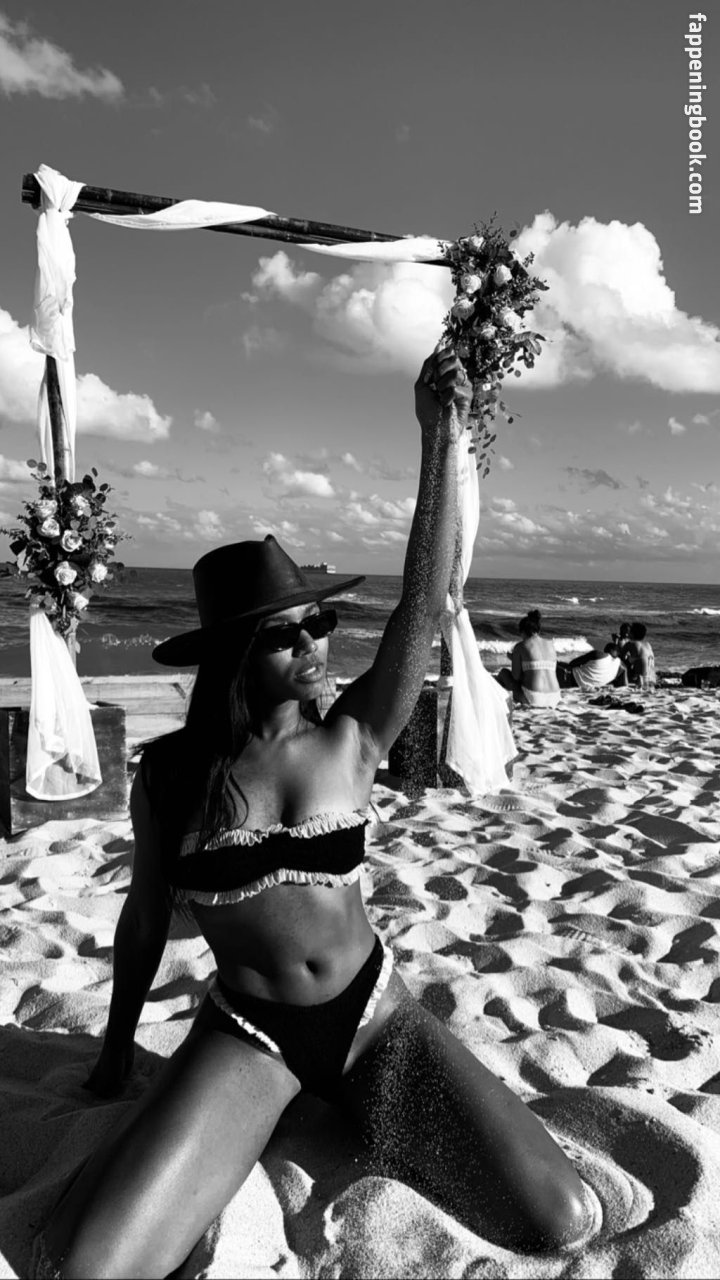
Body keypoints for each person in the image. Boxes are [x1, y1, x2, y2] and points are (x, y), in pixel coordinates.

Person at [35, 349, 592, 1278]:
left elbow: (423, 604)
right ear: (234, 655)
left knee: (558, 1218)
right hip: (250, 1038)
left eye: (319, 624)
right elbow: (144, 915)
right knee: (96, 1264)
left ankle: (346, 1097)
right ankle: (279, 1102)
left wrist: (439, 436)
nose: (314, 644)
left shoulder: (353, 739)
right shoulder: (173, 776)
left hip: (374, 1018)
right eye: (285, 634)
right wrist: (116, 1048)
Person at [496, 609, 562, 709]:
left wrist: (514, 659)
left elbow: (516, 677)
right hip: (555, 697)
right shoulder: (551, 645)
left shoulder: (521, 646)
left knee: (503, 673)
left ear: (523, 632)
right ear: (538, 630)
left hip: (534, 698)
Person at [556, 642, 626, 691]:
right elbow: (624, 685)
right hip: (585, 689)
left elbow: (573, 663)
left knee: (555, 664)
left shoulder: (599, 654)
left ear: (609, 650)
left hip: (571, 679)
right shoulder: (621, 667)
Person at [624, 621, 656, 687]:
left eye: (629, 632)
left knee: (621, 662)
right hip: (651, 681)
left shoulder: (630, 644)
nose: (627, 634)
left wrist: (616, 641)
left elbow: (618, 657)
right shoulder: (648, 645)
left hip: (640, 681)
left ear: (632, 634)